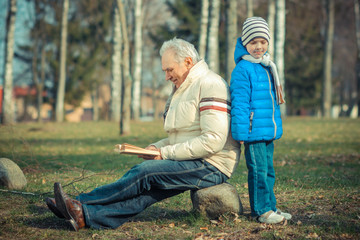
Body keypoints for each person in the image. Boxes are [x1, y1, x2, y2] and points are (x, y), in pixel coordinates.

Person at [46, 37, 240, 231]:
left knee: (145, 173)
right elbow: (183, 136)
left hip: (213, 163)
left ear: (188, 62)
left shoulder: (210, 84)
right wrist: (157, 147)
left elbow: (213, 141)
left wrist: (164, 154)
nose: (166, 76)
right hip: (197, 158)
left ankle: (76, 203)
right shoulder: (183, 87)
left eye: (169, 70)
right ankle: (85, 217)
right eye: (165, 71)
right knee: (149, 190)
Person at [230, 17, 291, 224]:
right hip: (252, 131)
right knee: (258, 171)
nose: (259, 46)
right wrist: (240, 134)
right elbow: (240, 103)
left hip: (267, 130)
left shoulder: (267, 66)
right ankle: (261, 211)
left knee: (269, 171)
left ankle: (271, 207)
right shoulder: (243, 69)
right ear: (245, 43)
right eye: (254, 42)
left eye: (263, 42)